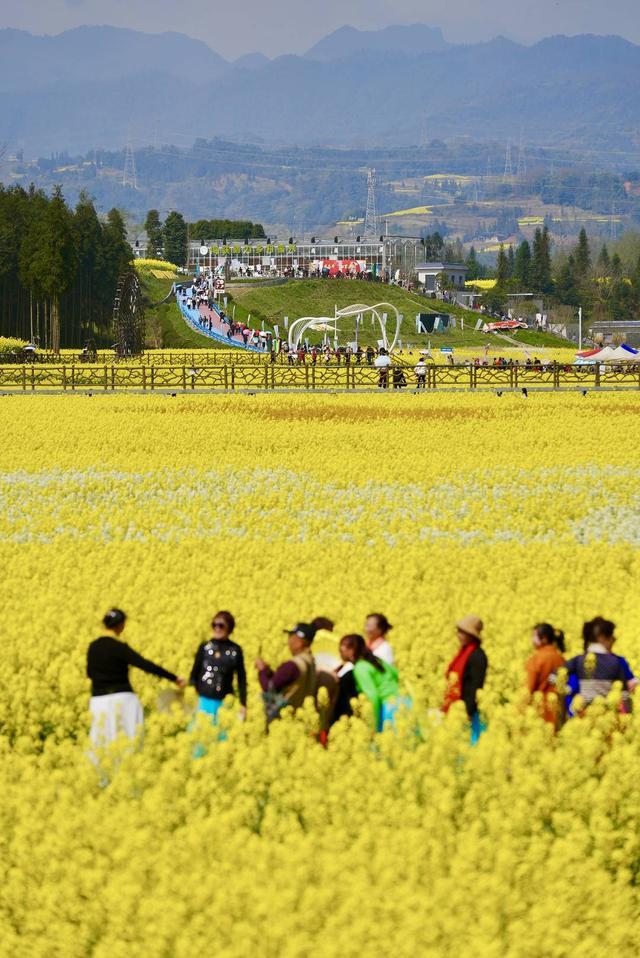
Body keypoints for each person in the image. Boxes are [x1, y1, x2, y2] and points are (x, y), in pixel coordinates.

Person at [87, 609, 185, 747]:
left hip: (98, 701)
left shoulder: (93, 647)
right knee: (129, 743)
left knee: (100, 745)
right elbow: (144, 665)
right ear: (121, 625)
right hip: (123, 700)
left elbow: (90, 673)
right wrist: (174, 678)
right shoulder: (119, 647)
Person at [189, 611, 247, 724]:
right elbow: (194, 674)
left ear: (229, 628)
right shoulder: (204, 647)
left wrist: (243, 704)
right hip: (202, 701)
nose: (217, 628)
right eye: (214, 625)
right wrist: (190, 696)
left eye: (221, 625)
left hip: (223, 703)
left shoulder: (236, 650)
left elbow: (241, 680)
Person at [338, 634, 401, 732]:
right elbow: (397, 675)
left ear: (351, 650)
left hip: (389, 709)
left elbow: (372, 696)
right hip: (404, 702)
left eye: (341, 650)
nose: (340, 653)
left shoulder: (360, 668)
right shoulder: (376, 660)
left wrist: (373, 724)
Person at [256, 622, 317, 722]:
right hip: (301, 718)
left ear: (300, 642)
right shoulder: (311, 662)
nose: (289, 641)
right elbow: (290, 682)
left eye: (291, 636)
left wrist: (262, 670)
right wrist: (269, 673)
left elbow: (268, 687)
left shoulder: (292, 665)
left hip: (283, 719)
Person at [565, 618, 629, 710]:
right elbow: (624, 694)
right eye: (612, 637)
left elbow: (555, 677)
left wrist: (570, 692)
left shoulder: (579, 660)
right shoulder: (615, 662)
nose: (614, 640)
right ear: (602, 637)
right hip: (606, 715)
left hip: (583, 716)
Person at [443, 615, 488, 742]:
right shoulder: (463, 652)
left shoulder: (477, 656)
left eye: (462, 632)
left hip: (465, 712)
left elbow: (475, 686)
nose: (458, 635)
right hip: (455, 710)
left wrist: (467, 712)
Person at [524, 623, 566, 727]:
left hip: (538, 714)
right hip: (557, 714)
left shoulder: (536, 659)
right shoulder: (561, 659)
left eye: (534, 636)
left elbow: (528, 689)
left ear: (544, 639)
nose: (532, 639)